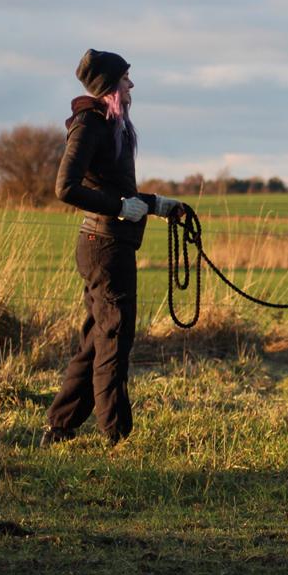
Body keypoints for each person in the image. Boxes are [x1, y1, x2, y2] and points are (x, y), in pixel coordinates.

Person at [41, 49, 182, 446]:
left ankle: (61, 425)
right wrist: (120, 207)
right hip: (104, 246)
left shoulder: (108, 125)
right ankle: (116, 434)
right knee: (114, 338)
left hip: (107, 242)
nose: (131, 85)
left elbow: (115, 188)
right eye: (125, 79)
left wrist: (157, 205)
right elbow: (65, 187)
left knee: (97, 338)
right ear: (109, 86)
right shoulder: (90, 124)